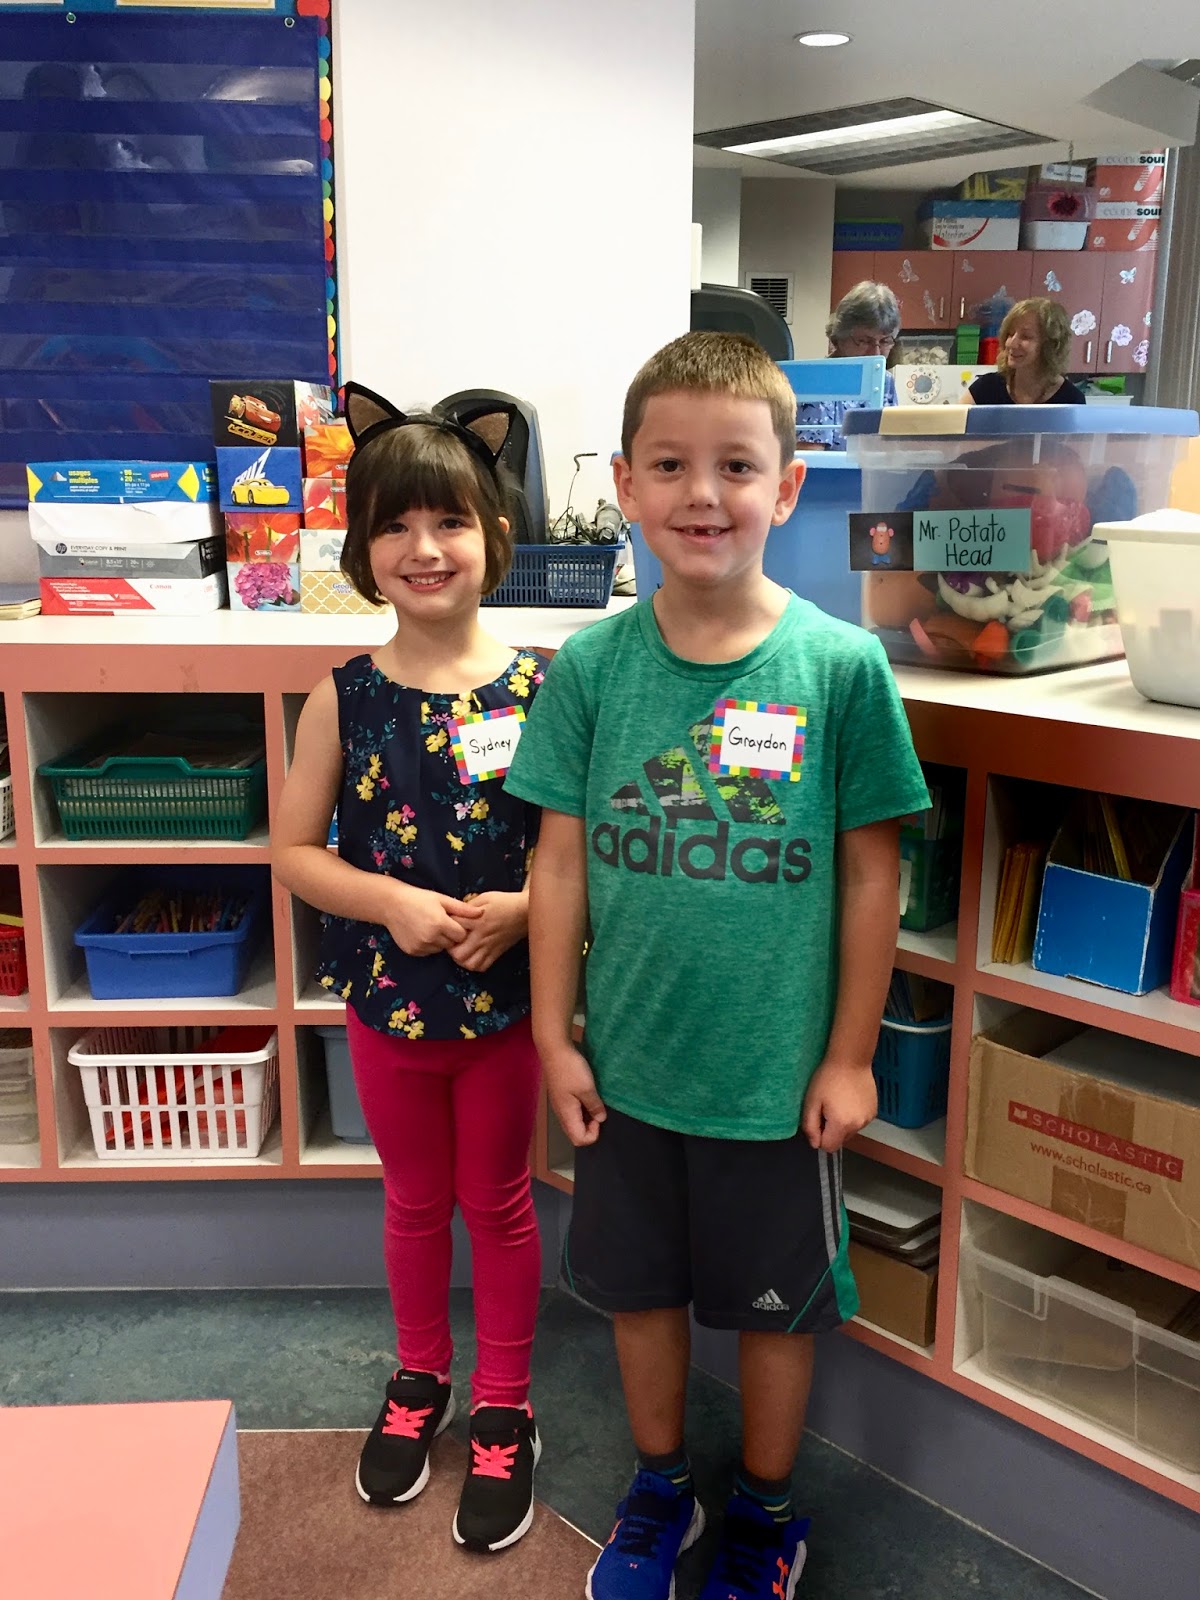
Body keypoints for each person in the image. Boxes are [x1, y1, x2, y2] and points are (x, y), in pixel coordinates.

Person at [506, 332, 929, 1600]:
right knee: (638, 1296)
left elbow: (872, 878)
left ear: (787, 487)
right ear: (625, 486)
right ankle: (658, 1489)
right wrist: (553, 1036)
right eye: (671, 465)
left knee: (771, 1309)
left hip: (773, 1087)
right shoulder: (590, 669)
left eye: (737, 466)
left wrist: (850, 1057)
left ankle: (766, 1514)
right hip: (628, 1072)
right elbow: (558, 868)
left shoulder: (840, 669)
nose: (704, 493)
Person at [273, 382, 549, 1555]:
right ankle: (420, 1374)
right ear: (363, 550)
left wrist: (529, 909)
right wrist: (386, 899)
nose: (423, 547)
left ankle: (505, 1404)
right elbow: (295, 852)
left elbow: (577, 852)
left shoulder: (543, 688)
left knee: (500, 1201)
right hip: (389, 1008)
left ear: (495, 533)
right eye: (394, 525)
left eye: (449, 521)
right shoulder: (343, 696)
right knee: (413, 1200)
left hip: (506, 1010)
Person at [796, 280, 900, 450]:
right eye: (864, 341)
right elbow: (811, 456)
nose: (876, 353)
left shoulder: (885, 381)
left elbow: (892, 447)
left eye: (885, 341)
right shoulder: (818, 380)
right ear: (840, 338)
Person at [966, 298, 1086, 405]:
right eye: (1010, 334)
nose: (1011, 343)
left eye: (1026, 336)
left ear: (1051, 345)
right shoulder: (985, 388)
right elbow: (957, 420)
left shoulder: (1072, 400)